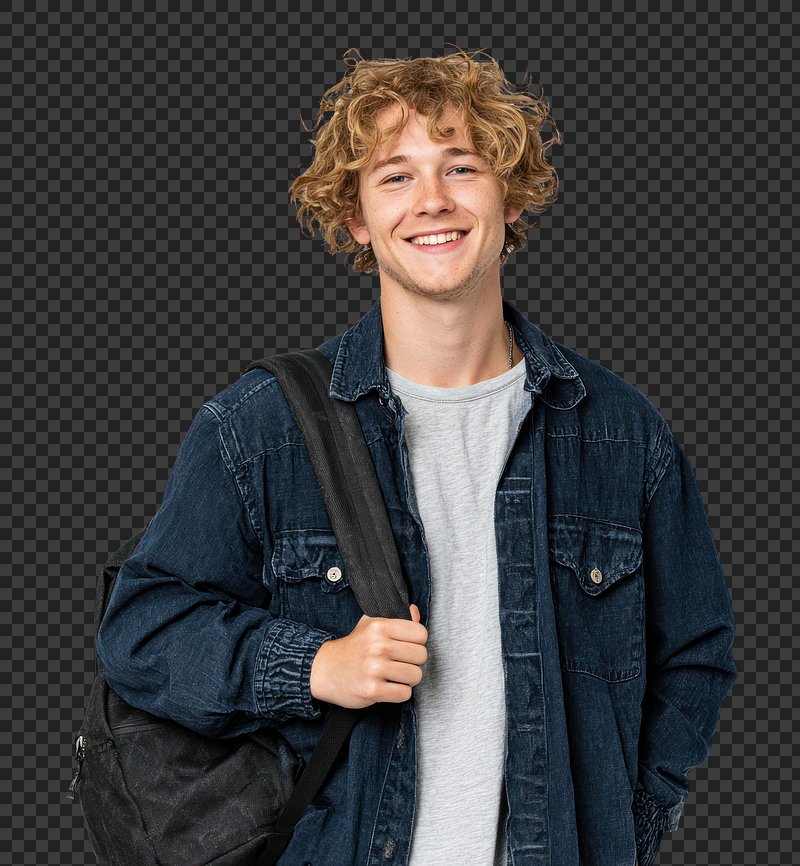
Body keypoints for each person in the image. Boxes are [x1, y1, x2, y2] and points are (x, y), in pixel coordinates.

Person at [97, 50, 738, 866]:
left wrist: (627, 828)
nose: (432, 199)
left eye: (461, 166)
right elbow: (142, 630)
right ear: (357, 218)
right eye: (395, 176)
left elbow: (695, 655)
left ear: (511, 195)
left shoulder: (621, 433)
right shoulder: (261, 429)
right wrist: (314, 665)